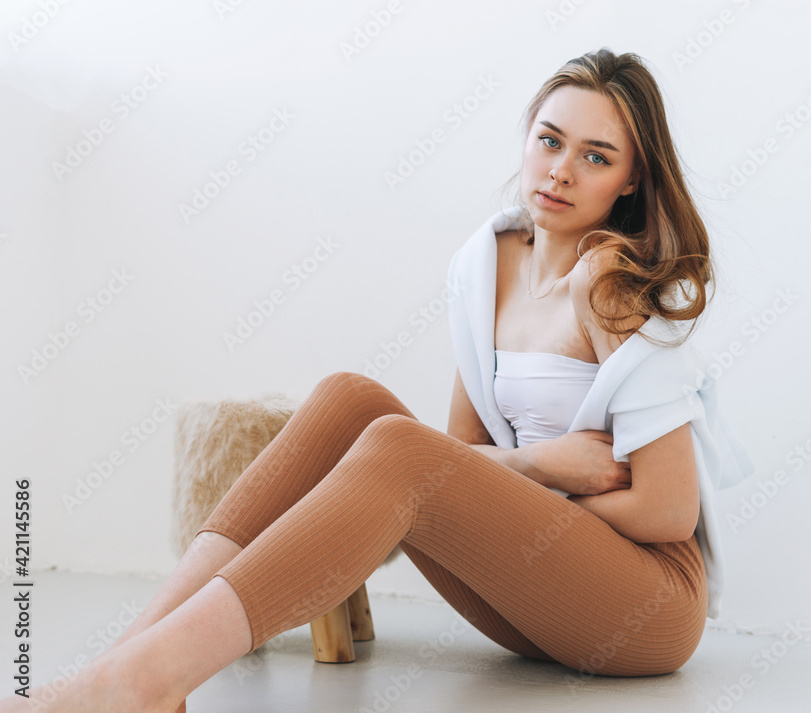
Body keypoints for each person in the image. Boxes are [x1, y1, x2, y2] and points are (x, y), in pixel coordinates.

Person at [0, 47, 753, 713]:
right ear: (526, 138)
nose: (559, 169)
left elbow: (665, 509)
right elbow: (467, 458)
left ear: (631, 179)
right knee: (349, 398)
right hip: (538, 585)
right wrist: (537, 465)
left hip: (644, 602)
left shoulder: (610, 286)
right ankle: (126, 665)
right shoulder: (489, 264)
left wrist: (543, 496)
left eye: (595, 156)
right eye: (549, 140)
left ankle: (142, 681)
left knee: (396, 444)